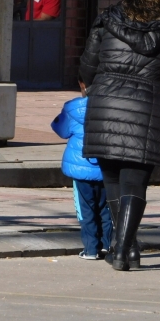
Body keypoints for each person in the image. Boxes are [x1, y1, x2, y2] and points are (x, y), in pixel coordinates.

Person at [79, 0, 160, 272]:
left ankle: (122, 248)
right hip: (148, 109)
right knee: (135, 181)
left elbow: (87, 66)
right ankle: (125, 249)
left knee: (112, 179)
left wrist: (96, 84)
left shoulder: (105, 22)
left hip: (106, 105)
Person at [51, 76, 112, 260]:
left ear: (82, 84)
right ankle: (108, 246)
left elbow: (60, 129)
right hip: (104, 167)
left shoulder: (72, 108)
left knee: (85, 210)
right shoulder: (110, 107)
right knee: (105, 210)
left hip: (80, 168)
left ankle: (91, 249)